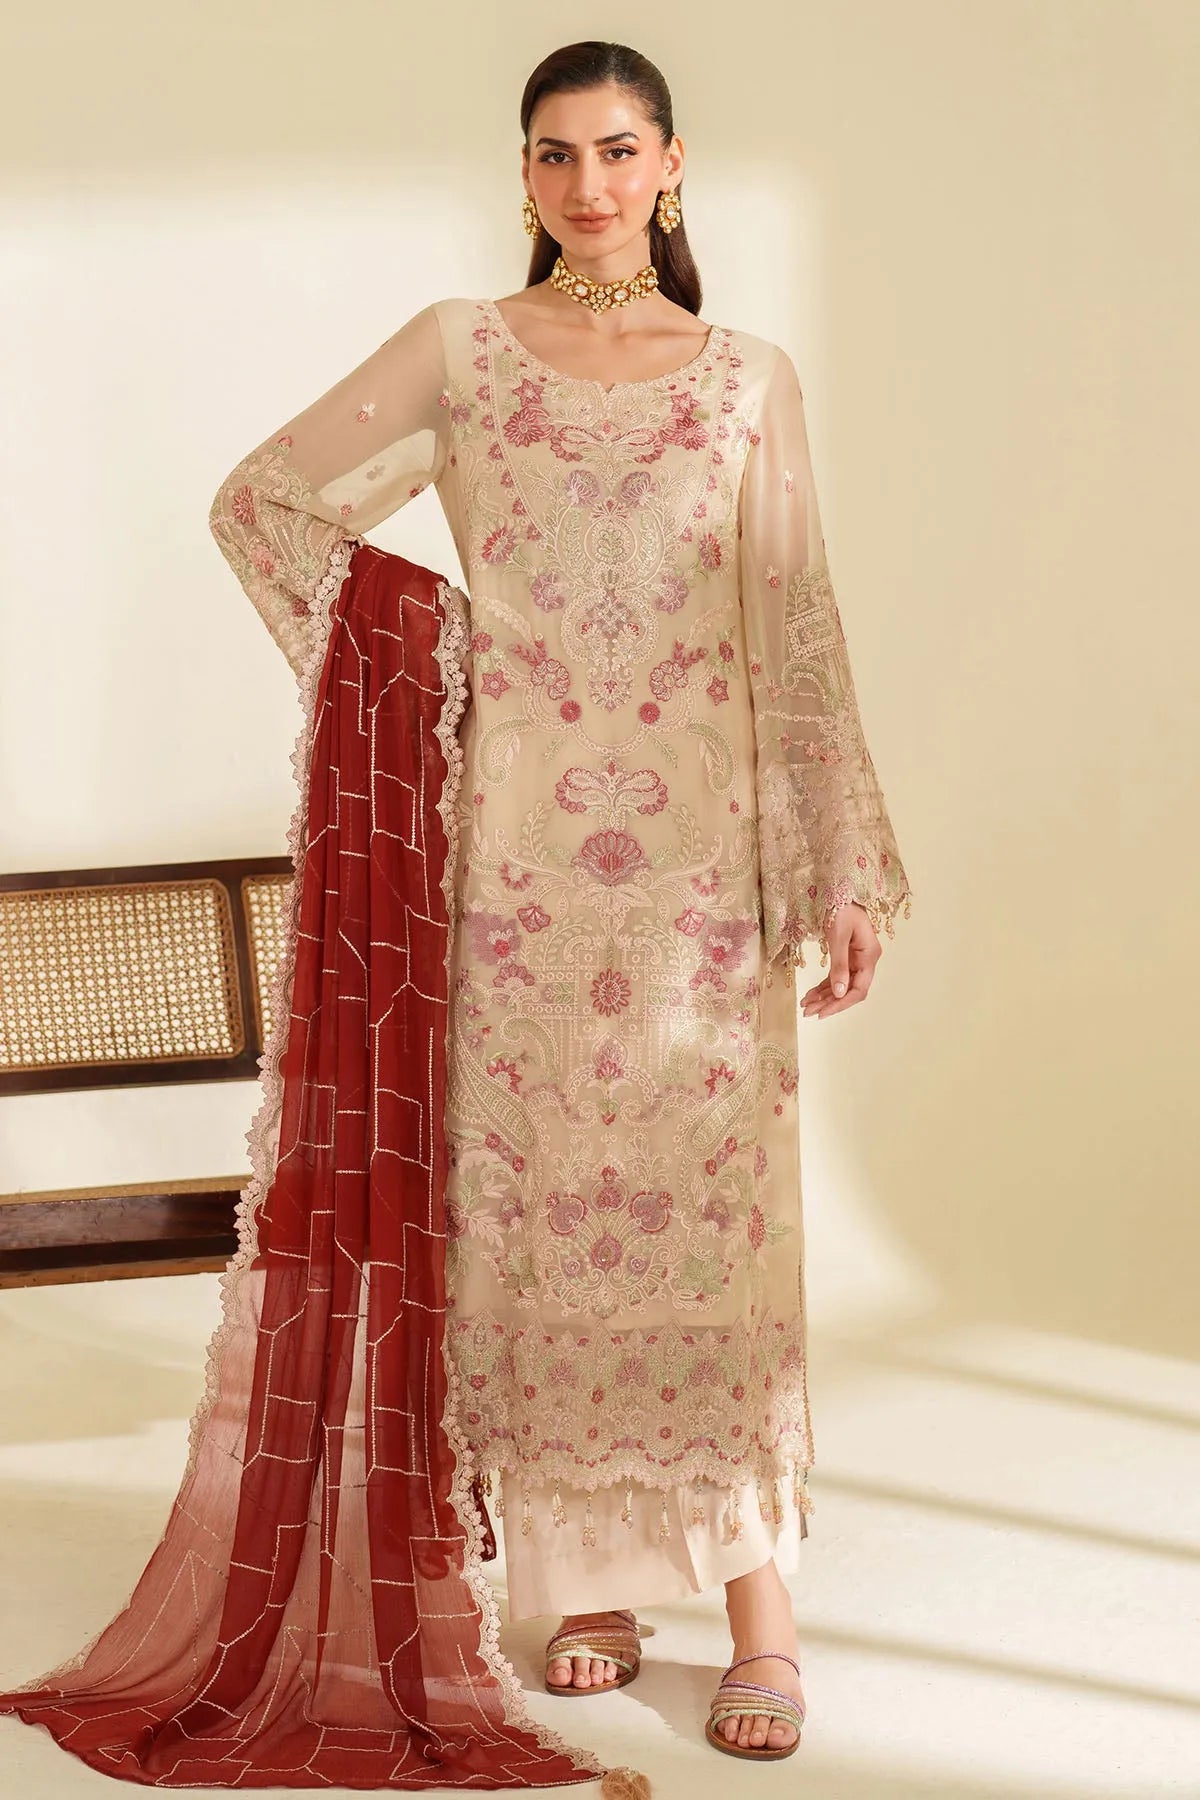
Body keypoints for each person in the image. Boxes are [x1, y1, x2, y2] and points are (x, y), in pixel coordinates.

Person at [218, 37, 909, 1772]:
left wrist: (836, 862)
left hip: (699, 882)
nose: (588, 186)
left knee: (715, 1233)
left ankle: (763, 1612)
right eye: (553, 156)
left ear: (674, 163)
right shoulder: (465, 350)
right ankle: (576, 1585)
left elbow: (795, 626)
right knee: (533, 1225)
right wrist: (441, 661)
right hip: (511, 872)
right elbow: (266, 505)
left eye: (618, 152)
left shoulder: (748, 377)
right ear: (520, 173)